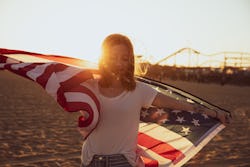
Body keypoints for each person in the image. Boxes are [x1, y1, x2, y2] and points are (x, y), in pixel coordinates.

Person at [79, 34, 231, 167]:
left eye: (124, 58)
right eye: (112, 57)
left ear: (130, 61)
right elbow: (58, 83)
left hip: (123, 161)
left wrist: (215, 113)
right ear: (102, 58)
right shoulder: (88, 86)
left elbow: (179, 105)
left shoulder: (139, 90)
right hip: (90, 160)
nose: (118, 63)